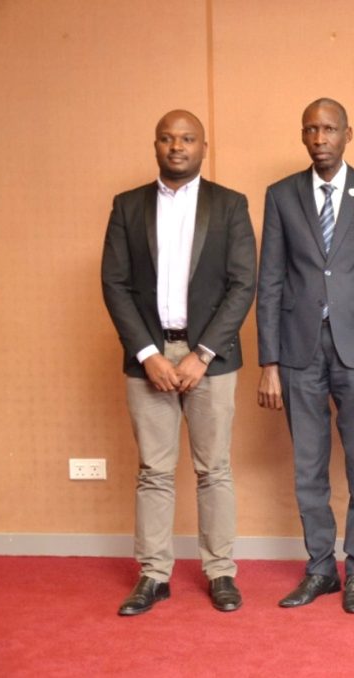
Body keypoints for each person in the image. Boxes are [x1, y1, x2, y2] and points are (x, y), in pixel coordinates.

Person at [101, 109, 256, 616]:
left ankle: (220, 572)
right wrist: (147, 354)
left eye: (188, 139)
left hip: (210, 355)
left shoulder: (230, 205)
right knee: (154, 471)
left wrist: (202, 353)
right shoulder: (127, 206)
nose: (177, 146)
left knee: (215, 469)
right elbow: (115, 284)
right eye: (167, 138)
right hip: (148, 357)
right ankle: (153, 574)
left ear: (203, 147)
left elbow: (242, 284)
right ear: (155, 145)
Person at [256, 98, 354, 614]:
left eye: (329, 129)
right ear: (302, 136)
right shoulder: (280, 196)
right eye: (311, 130)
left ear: (348, 134)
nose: (320, 138)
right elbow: (269, 281)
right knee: (307, 468)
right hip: (299, 351)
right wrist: (268, 363)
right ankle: (321, 568)